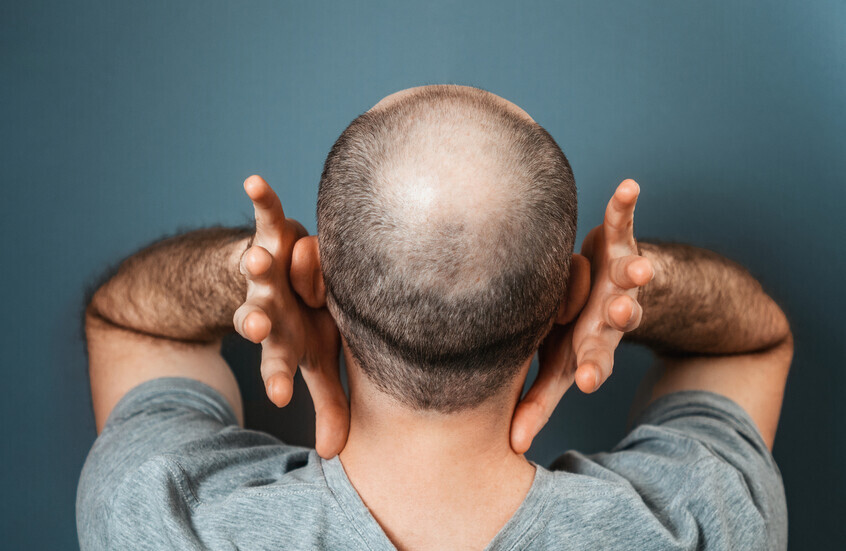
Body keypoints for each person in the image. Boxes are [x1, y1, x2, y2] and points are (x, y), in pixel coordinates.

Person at [77, 85, 792, 550]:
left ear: (316, 278)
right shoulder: (700, 522)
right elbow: (749, 345)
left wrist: (254, 271)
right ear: (569, 299)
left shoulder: (169, 518)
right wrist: (633, 286)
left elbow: (129, 321)